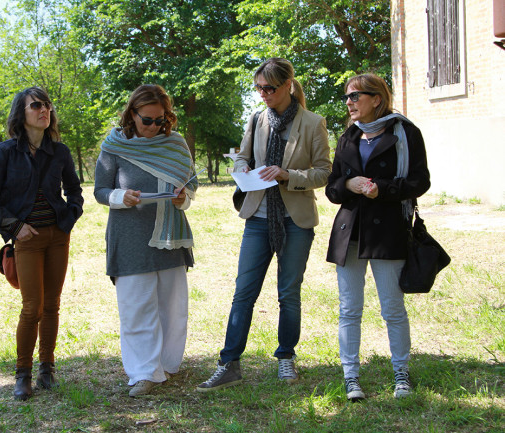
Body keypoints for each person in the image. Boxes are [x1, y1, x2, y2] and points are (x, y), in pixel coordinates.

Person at [197, 58, 331, 391]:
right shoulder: (257, 119)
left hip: (296, 221)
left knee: (289, 294)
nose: (263, 94)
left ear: (289, 85)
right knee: (243, 293)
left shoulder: (313, 123)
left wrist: (289, 175)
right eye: (259, 88)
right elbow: (244, 156)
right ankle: (229, 364)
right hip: (257, 219)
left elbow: (324, 173)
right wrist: (241, 170)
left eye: (269, 88)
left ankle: (286, 358)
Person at [325, 73, 430, 401]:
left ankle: (401, 373)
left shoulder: (405, 132)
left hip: (388, 230)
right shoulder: (349, 136)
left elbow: (420, 182)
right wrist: (349, 186)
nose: (349, 103)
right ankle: (350, 376)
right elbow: (332, 187)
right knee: (349, 308)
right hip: (350, 231)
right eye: (347, 97)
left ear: (377, 99)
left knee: (392, 307)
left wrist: (380, 189)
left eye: (355, 96)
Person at [0, 87, 84, 401]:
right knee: (31, 307)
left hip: (57, 237)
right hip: (27, 240)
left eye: (47, 105)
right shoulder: (4, 152)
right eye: (36, 105)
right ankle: (22, 374)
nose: (44, 110)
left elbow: (75, 192)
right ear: (21, 114)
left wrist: (67, 223)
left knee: (52, 306)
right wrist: (14, 226)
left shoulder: (59, 151)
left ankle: (46, 368)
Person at [94, 84, 198, 397]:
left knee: (172, 306)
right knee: (136, 307)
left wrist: (184, 198)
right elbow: (100, 191)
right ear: (132, 114)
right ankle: (143, 372)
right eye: (147, 120)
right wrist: (119, 196)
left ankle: (166, 366)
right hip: (130, 235)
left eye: (160, 120)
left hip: (170, 234)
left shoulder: (176, 143)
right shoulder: (114, 145)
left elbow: (190, 185)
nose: (153, 126)